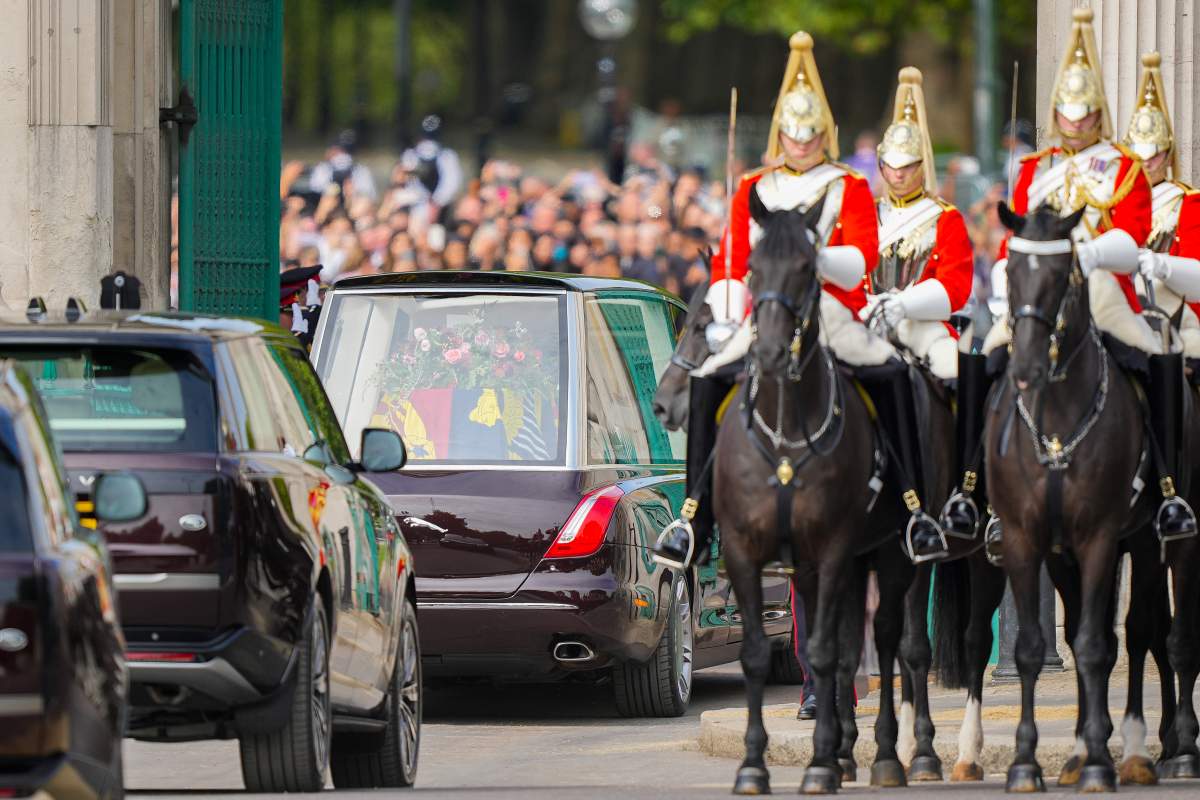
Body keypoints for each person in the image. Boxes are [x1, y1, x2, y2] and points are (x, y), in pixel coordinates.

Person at [653, 31, 947, 571]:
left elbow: (859, 258)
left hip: (830, 306)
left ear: (824, 134)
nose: (801, 143)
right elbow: (731, 259)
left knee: (892, 373)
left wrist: (813, 258)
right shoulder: (753, 186)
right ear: (780, 133)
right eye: (792, 133)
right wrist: (724, 313)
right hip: (764, 306)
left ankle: (911, 508)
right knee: (708, 375)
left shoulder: (848, 185)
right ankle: (694, 517)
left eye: (810, 134)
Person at [983, 8, 1195, 549]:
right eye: (1067, 114)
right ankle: (976, 491)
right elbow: (1018, 241)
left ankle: (1169, 489)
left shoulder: (1122, 166)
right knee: (983, 355)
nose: (1075, 124)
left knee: (1159, 355)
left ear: (1098, 111)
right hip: (1038, 292)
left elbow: (1133, 234)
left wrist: (1089, 256)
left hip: (1102, 289)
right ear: (1055, 111)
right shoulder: (1034, 168)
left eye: (1085, 114)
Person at [864, 69, 979, 540]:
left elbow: (956, 287)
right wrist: (868, 304)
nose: (897, 173)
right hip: (867, 321)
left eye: (907, 165)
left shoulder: (944, 218)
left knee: (957, 373)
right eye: (890, 164)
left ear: (922, 165)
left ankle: (965, 491)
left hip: (923, 325)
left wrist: (904, 304)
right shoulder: (863, 213)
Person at [1124, 51, 1200, 539]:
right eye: (1138, 152)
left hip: (1176, 319)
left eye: (1153, 154)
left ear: (1168, 153)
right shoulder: (1110, 205)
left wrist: (1162, 264)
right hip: (1123, 317)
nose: (1145, 162)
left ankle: (1178, 494)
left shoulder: (1187, 201)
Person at [401, 115, 465, 224]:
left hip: (442, 209)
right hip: (417, 206)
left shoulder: (447, 156)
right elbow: (410, 182)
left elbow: (451, 182)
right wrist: (432, 202)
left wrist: (436, 203)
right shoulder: (410, 155)